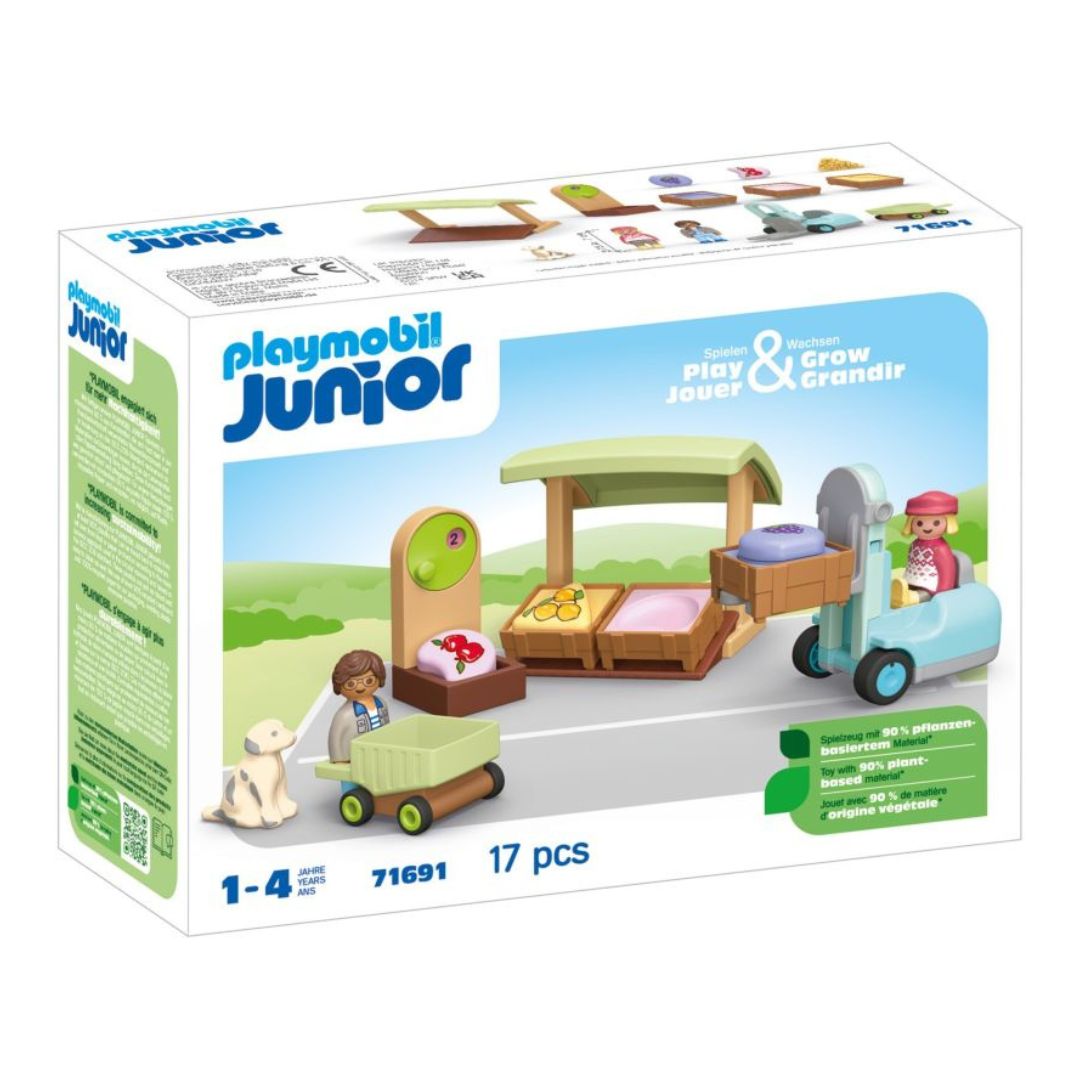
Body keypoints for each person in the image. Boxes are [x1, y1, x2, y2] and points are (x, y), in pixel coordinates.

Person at [890, 490, 960, 608]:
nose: (927, 527)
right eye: (919, 523)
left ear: (949, 522)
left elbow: (947, 572)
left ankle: (908, 599)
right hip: (911, 581)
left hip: (931, 587)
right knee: (905, 592)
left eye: (936, 523)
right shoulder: (914, 544)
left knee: (922, 595)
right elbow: (910, 565)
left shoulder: (940, 549)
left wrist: (943, 594)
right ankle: (899, 596)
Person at [327, 650, 390, 762]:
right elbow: (335, 739)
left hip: (380, 754)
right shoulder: (344, 715)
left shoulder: (381, 704)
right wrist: (339, 760)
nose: (360, 687)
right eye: (351, 684)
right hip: (356, 759)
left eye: (369, 681)